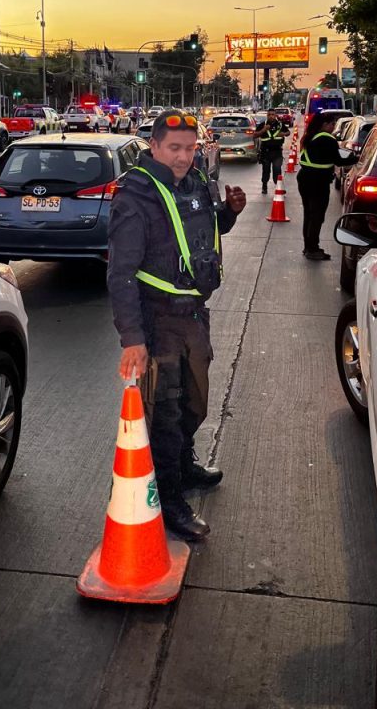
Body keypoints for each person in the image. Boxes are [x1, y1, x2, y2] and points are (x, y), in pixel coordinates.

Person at [107, 110, 247, 540]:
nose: (183, 157)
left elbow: (202, 232)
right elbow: (121, 274)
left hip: (193, 316)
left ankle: (185, 466)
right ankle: (168, 499)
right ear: (154, 146)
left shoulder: (195, 183)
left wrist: (229, 212)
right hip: (158, 319)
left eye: (189, 147)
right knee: (165, 414)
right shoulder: (136, 195)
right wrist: (133, 339)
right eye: (174, 148)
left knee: (194, 403)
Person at [297, 112, 357, 261]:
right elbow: (338, 161)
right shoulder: (328, 139)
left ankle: (308, 247)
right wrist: (356, 159)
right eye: (332, 124)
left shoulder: (310, 136)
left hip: (305, 178)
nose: (333, 127)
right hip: (318, 182)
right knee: (317, 216)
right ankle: (313, 249)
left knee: (309, 214)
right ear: (324, 124)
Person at [253, 110, 290, 194]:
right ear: (267, 115)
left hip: (277, 152)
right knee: (266, 170)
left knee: (277, 170)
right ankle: (264, 186)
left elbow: (288, 132)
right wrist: (263, 130)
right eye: (269, 115)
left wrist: (284, 134)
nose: (271, 116)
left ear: (275, 115)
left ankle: (279, 187)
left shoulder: (280, 124)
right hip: (266, 152)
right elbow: (255, 135)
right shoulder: (263, 124)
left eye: (273, 114)